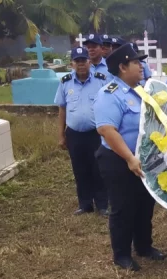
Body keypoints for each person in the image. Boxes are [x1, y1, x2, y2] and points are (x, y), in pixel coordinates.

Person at [94, 43, 166, 271]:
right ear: (123, 67)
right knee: (123, 207)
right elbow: (107, 130)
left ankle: (144, 246)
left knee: (145, 204)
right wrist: (129, 159)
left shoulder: (142, 90)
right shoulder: (109, 94)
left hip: (142, 157)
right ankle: (122, 254)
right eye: (136, 62)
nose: (141, 66)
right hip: (118, 159)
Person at [55, 47, 110, 216]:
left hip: (96, 133)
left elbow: (109, 106)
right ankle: (85, 204)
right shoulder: (65, 82)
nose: (80, 65)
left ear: (89, 62)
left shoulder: (101, 80)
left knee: (98, 169)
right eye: (77, 61)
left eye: (83, 61)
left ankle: (102, 205)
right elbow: (62, 110)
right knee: (80, 169)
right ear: (72, 64)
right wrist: (61, 135)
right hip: (74, 134)